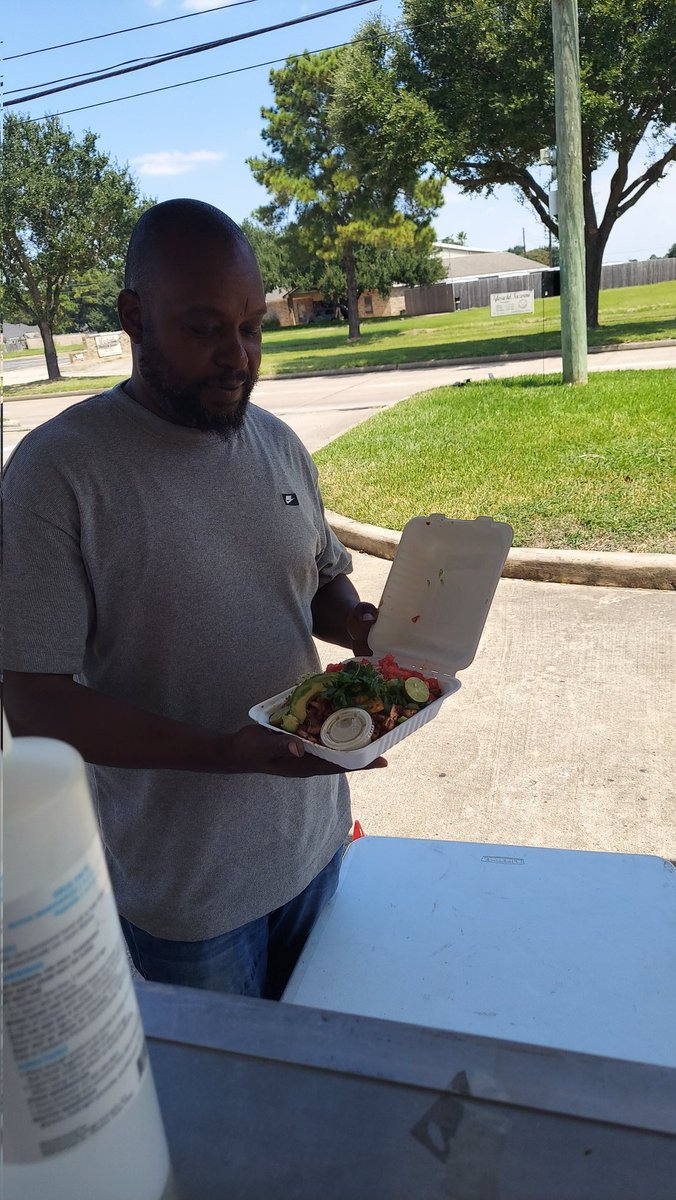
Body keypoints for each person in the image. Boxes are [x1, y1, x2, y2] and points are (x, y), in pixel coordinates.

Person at [1, 198, 386, 1000]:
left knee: (321, 1073)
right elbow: (33, 703)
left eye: (251, 327)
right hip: (189, 896)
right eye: (206, 329)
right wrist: (222, 751)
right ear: (134, 317)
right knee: (226, 1115)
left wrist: (358, 626)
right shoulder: (57, 474)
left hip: (315, 840)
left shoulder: (277, 441)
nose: (237, 357)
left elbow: (315, 578)